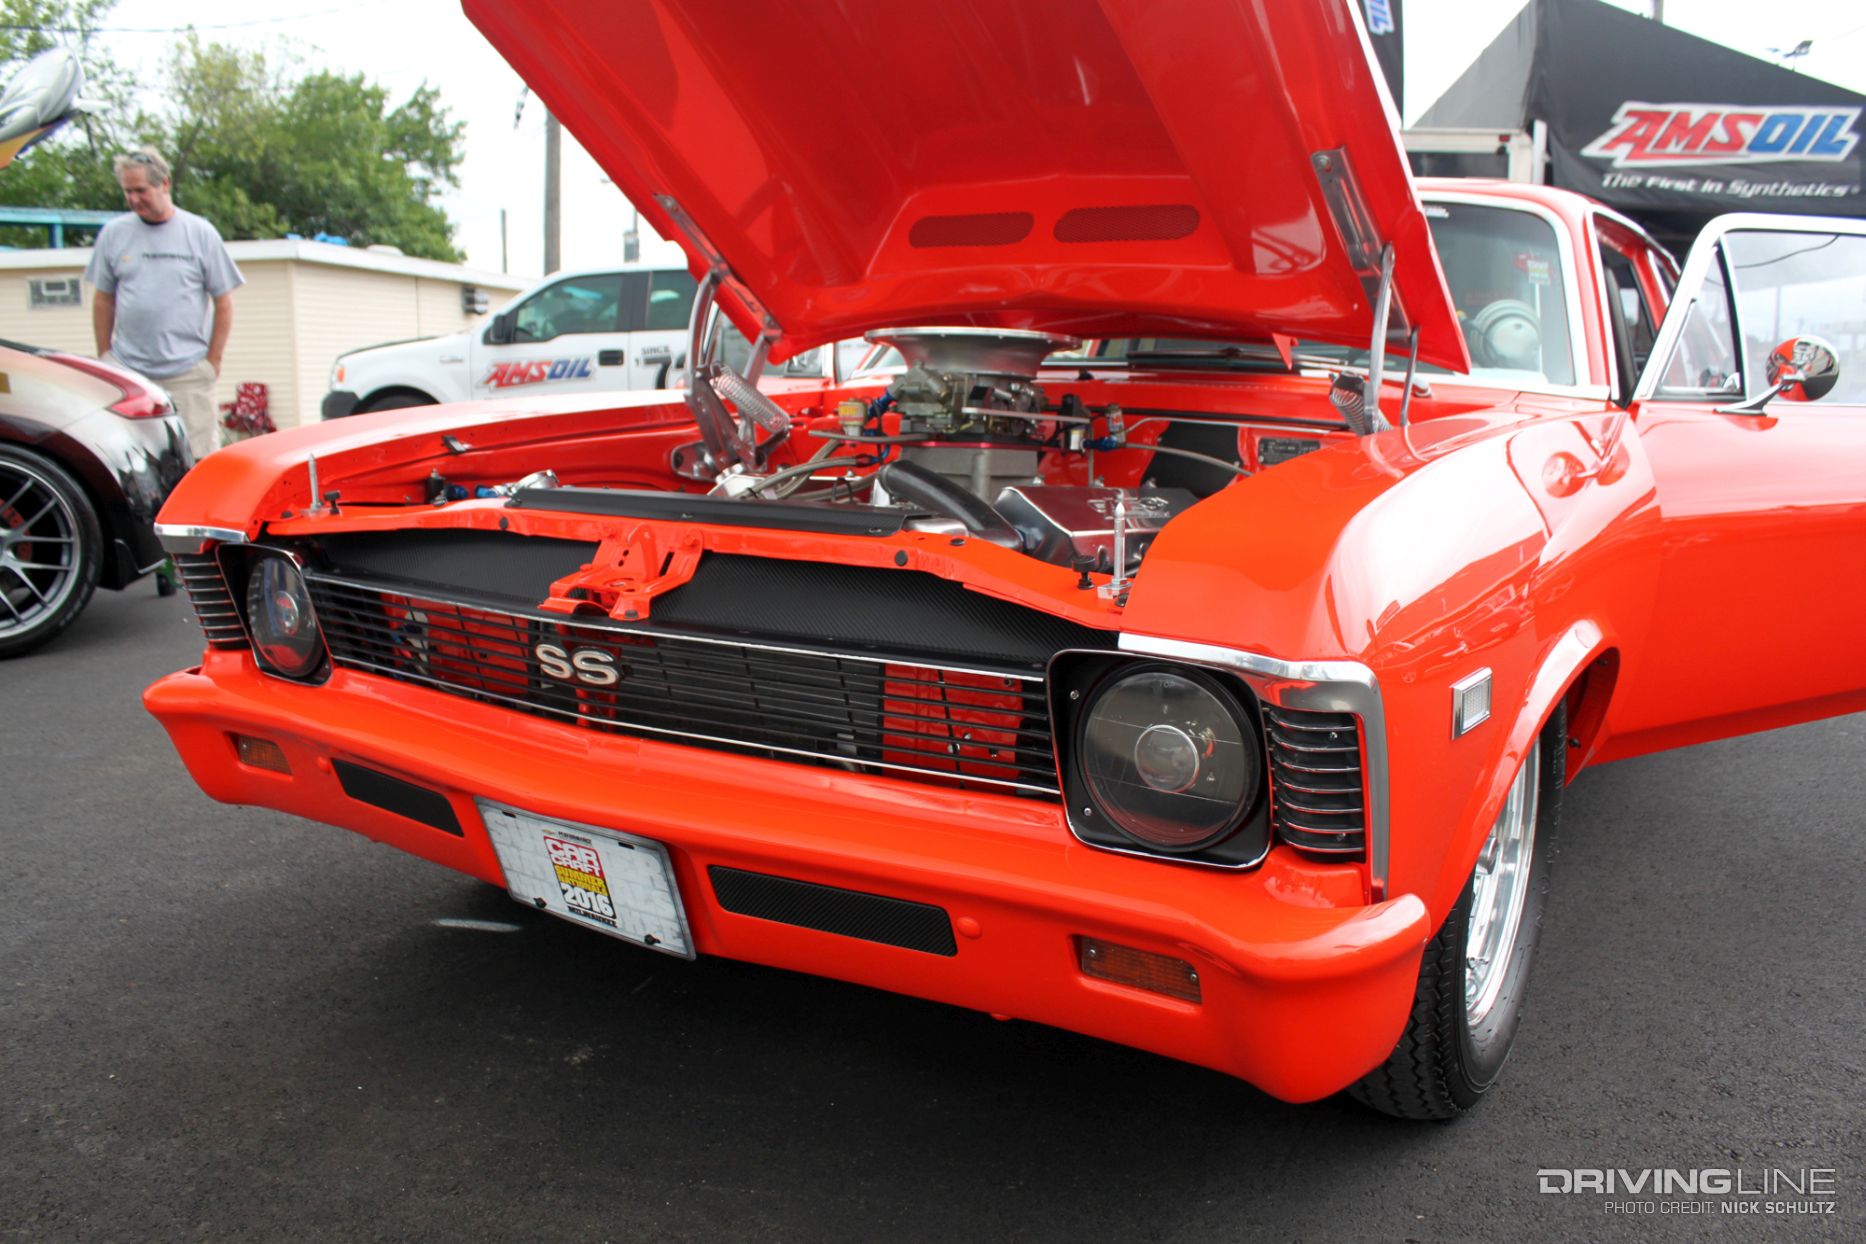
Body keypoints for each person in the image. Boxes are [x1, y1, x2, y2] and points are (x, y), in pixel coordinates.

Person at [84, 147, 243, 461]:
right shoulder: (114, 234)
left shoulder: (199, 233)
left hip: (187, 372)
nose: (134, 199)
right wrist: (105, 356)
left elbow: (223, 302)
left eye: (141, 190)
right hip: (129, 371)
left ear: (164, 184)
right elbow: (103, 299)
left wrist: (212, 361)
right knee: (127, 457)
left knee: (198, 461)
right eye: (128, 192)